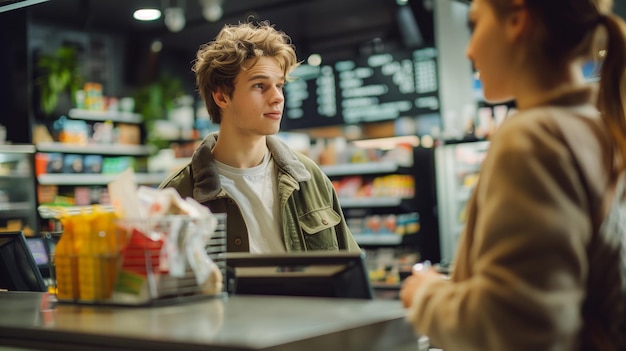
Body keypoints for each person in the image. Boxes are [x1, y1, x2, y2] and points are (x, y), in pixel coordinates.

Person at [399, 0, 626, 350]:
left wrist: (426, 293)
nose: (470, 50)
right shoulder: (598, 128)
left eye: (475, 25)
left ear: (518, 20)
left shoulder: (534, 137)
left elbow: (515, 326)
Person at [159, 21, 360, 254]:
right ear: (222, 97)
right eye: (259, 86)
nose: (278, 98)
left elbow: (350, 271)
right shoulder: (178, 195)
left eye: (279, 86)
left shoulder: (309, 178)